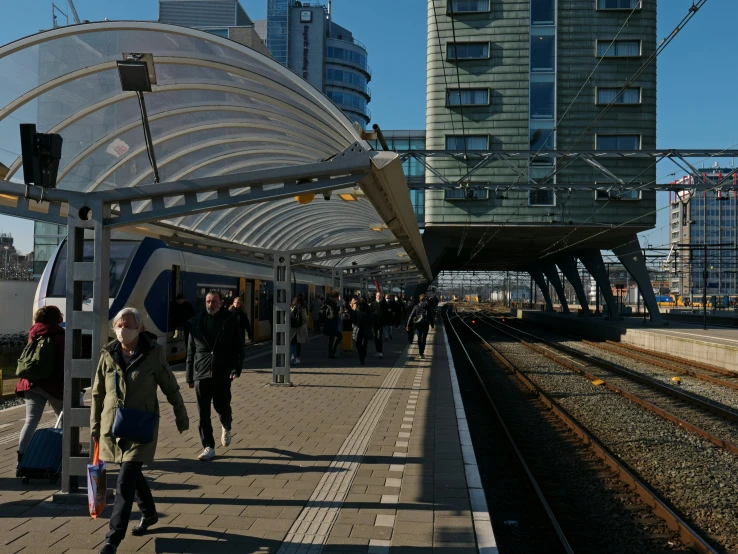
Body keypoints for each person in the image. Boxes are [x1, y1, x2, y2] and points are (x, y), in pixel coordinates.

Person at [92, 307, 188, 554]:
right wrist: (94, 426)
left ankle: (112, 539)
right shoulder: (108, 354)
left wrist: (181, 414)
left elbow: (170, 385)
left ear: (140, 328)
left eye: (128, 325)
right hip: (114, 426)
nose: (122, 329)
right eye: (119, 325)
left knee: (125, 479)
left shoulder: (153, 354)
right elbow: (97, 393)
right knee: (132, 474)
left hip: (141, 425)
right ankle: (150, 513)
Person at [186, 290, 244, 461]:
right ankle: (208, 446)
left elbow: (238, 348)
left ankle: (226, 425)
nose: (210, 305)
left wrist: (235, 369)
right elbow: (191, 351)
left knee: (222, 406)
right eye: (208, 302)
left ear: (221, 302)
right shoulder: (196, 322)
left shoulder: (230, 320)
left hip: (222, 372)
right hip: (201, 372)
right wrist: (189, 376)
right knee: (203, 413)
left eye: (213, 302)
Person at [15, 306, 65, 472]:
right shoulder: (59, 335)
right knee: (66, 421)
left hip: (32, 383)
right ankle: (65, 455)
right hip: (53, 385)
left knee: (30, 421)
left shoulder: (34, 332)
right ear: (57, 318)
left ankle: (21, 458)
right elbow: (63, 363)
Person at [406, 294, 435, 359]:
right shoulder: (428, 307)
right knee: (424, 338)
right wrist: (432, 325)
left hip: (418, 325)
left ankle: (420, 350)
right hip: (425, 324)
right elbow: (431, 317)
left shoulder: (416, 306)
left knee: (419, 338)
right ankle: (422, 352)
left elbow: (411, 316)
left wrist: (408, 324)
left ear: (419, 299)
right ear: (425, 300)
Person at [351, 296, 373, 365]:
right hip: (357, 329)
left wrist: (370, 326)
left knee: (364, 344)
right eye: (361, 300)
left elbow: (371, 318)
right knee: (358, 345)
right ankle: (361, 355)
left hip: (365, 329)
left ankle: (362, 358)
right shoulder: (357, 308)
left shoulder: (368, 308)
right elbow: (353, 318)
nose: (362, 302)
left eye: (363, 300)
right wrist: (353, 326)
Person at [321, 290, 342, 358]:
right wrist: (337, 313)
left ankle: (331, 353)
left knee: (331, 338)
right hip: (331, 323)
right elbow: (332, 313)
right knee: (339, 336)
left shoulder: (328, 301)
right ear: (335, 297)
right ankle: (332, 352)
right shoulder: (330, 302)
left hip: (329, 323)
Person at [290, 295, 309, 364]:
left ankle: (292, 356)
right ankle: (297, 358)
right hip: (300, 328)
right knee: (299, 343)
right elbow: (305, 318)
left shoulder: (291, 307)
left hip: (292, 328)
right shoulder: (302, 308)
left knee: (292, 342)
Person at [369, 292, 386, 357]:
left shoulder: (383, 304)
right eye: (377, 296)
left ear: (381, 296)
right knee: (375, 337)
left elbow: (385, 313)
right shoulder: (373, 304)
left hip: (380, 323)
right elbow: (370, 312)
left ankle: (380, 351)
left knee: (379, 337)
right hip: (374, 323)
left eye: (380, 296)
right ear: (376, 296)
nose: (378, 297)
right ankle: (377, 351)